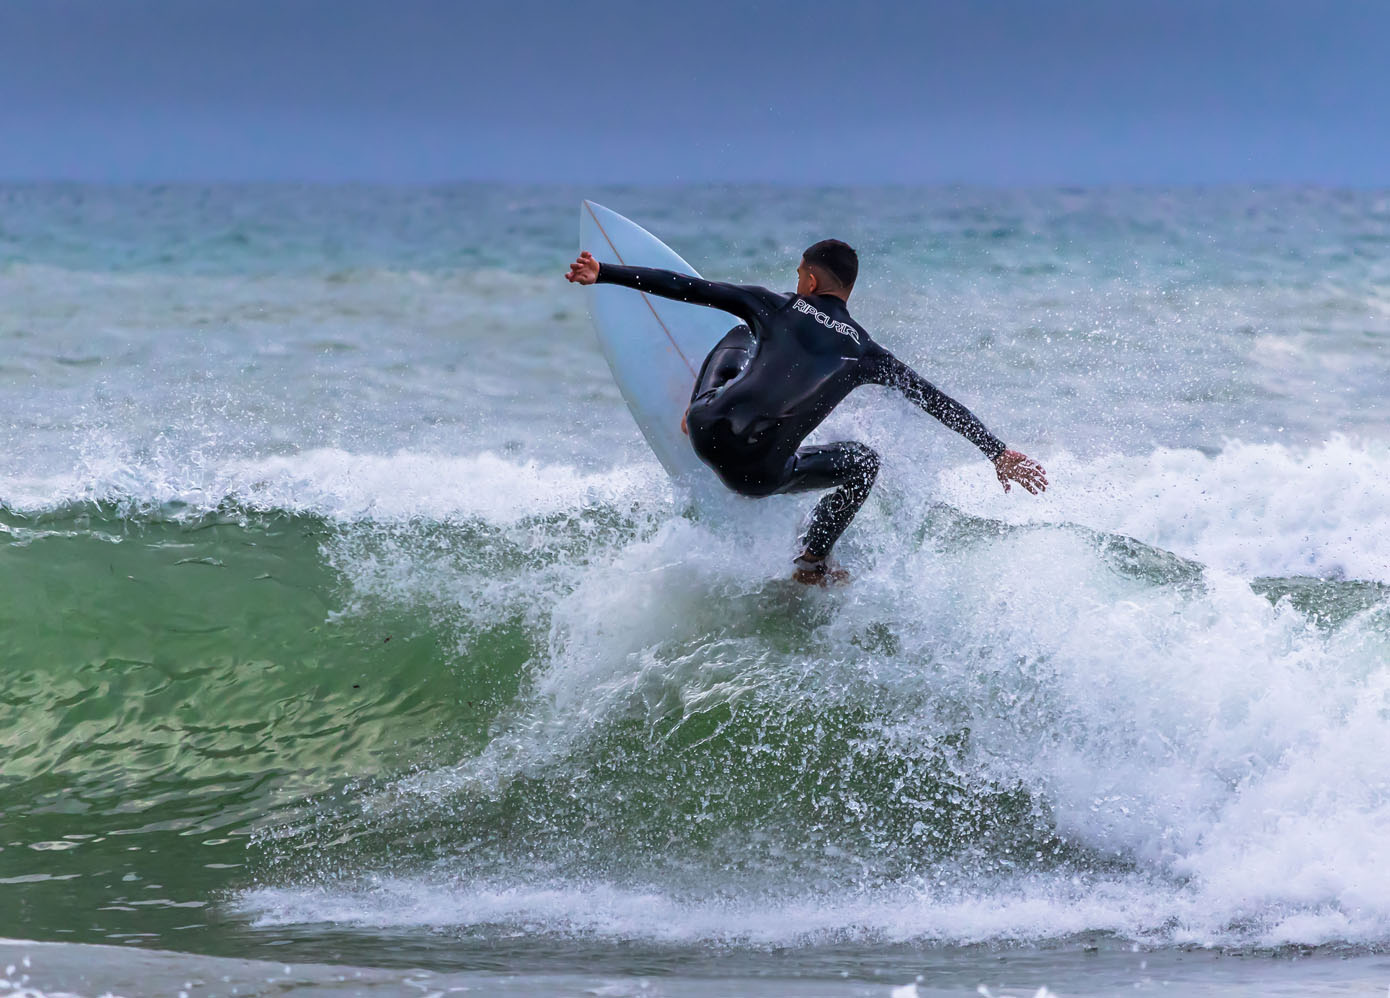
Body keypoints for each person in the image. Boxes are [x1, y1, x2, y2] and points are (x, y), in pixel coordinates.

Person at [565, 239, 1047, 584]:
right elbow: (933, 399)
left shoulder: (773, 305)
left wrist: (604, 272)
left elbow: (687, 286)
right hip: (755, 478)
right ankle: (812, 563)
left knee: (739, 335)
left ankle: (696, 409)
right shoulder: (867, 353)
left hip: (708, 434)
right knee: (863, 464)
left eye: (799, 274)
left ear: (810, 278)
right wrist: (995, 451)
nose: (795, 282)